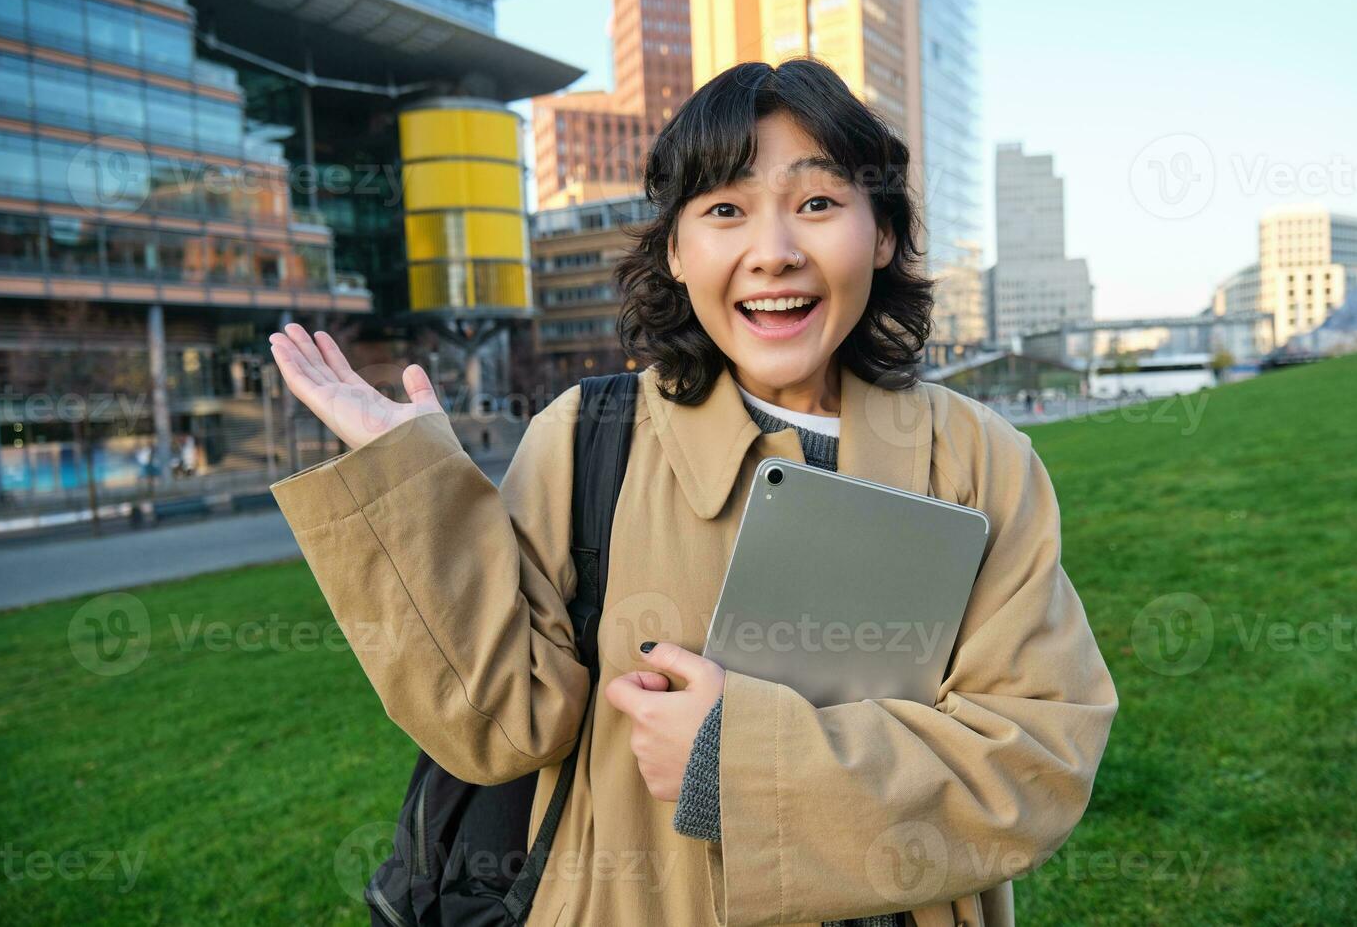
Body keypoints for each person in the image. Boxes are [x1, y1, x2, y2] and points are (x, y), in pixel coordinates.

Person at [266, 58, 1116, 927]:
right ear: (675, 252)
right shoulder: (587, 437)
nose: (774, 251)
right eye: (724, 211)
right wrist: (409, 488)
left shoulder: (978, 458)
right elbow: (498, 725)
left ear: (885, 233)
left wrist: (730, 757)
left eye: (819, 203)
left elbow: (1039, 758)